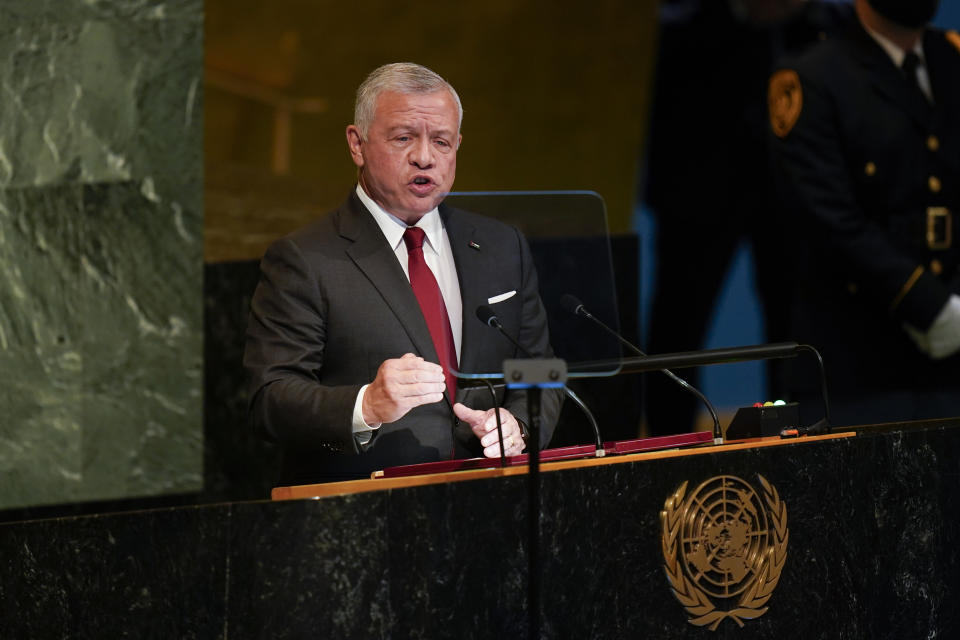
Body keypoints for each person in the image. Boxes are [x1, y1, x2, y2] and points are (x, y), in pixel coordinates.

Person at [243, 63, 561, 484]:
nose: (425, 157)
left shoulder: (503, 247)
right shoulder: (305, 259)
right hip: (368, 511)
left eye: (442, 141)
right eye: (404, 138)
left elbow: (541, 367)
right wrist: (367, 405)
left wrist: (519, 425)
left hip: (491, 499)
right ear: (357, 144)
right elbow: (270, 400)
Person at [643, 0, 852, 435]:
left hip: (793, 164)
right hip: (698, 147)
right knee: (678, 323)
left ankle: (799, 446)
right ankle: (665, 453)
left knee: (796, 324)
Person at [769, 0, 960, 426]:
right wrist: (930, 307)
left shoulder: (952, 60)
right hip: (859, 373)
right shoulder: (811, 77)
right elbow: (830, 222)